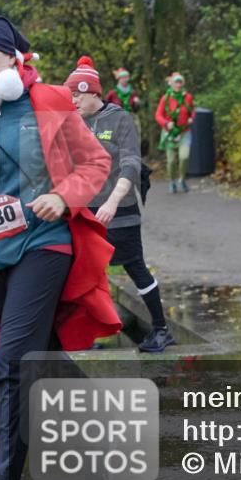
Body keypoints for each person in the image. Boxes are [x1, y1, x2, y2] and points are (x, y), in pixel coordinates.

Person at [0, 17, 120, 480]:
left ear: (14, 62)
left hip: (42, 246)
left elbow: (95, 163)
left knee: (15, 361)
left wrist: (61, 196)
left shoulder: (46, 102)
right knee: (39, 356)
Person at [65, 56, 175, 353]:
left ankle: (161, 329)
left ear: (94, 92)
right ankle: (84, 336)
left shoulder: (119, 120)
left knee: (134, 267)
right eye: (69, 94)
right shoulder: (69, 122)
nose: (72, 99)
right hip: (83, 213)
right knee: (79, 271)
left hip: (120, 211)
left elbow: (130, 164)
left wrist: (113, 202)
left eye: (78, 93)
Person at [154, 72, 194, 194]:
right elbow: (158, 115)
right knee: (171, 161)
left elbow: (192, 111)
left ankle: (181, 179)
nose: (178, 84)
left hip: (184, 132)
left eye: (180, 82)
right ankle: (172, 181)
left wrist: (191, 118)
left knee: (184, 156)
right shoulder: (165, 98)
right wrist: (166, 124)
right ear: (171, 83)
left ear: (183, 83)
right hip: (169, 134)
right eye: (176, 82)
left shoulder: (187, 97)